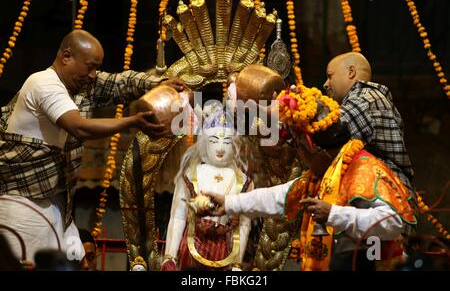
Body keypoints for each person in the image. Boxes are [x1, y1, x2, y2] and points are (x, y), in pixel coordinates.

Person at [0, 29, 184, 263]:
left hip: (58, 202)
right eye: (90, 67)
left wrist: (157, 83)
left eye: (96, 67)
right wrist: (132, 121)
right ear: (66, 57)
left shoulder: (79, 85)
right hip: (21, 201)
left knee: (67, 259)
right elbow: (79, 127)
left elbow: (120, 83)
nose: (93, 74)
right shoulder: (43, 83)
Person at [204, 84, 417, 271]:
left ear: (320, 151)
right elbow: (280, 196)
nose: (299, 156)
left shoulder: (362, 170)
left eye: (300, 148)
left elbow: (392, 222)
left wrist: (333, 213)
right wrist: (230, 202)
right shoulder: (324, 175)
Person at [161, 106, 253, 271]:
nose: (220, 148)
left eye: (226, 142)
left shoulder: (242, 181)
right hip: (191, 246)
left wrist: (237, 262)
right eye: (213, 141)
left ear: (235, 146)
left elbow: (244, 225)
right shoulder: (191, 174)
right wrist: (170, 256)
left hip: (223, 250)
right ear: (204, 143)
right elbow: (178, 217)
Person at [323, 52, 414, 193]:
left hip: (388, 195)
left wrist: (296, 107)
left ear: (351, 72)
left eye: (330, 76)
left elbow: (329, 133)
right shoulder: (369, 98)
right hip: (385, 191)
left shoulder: (365, 98)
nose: (326, 84)